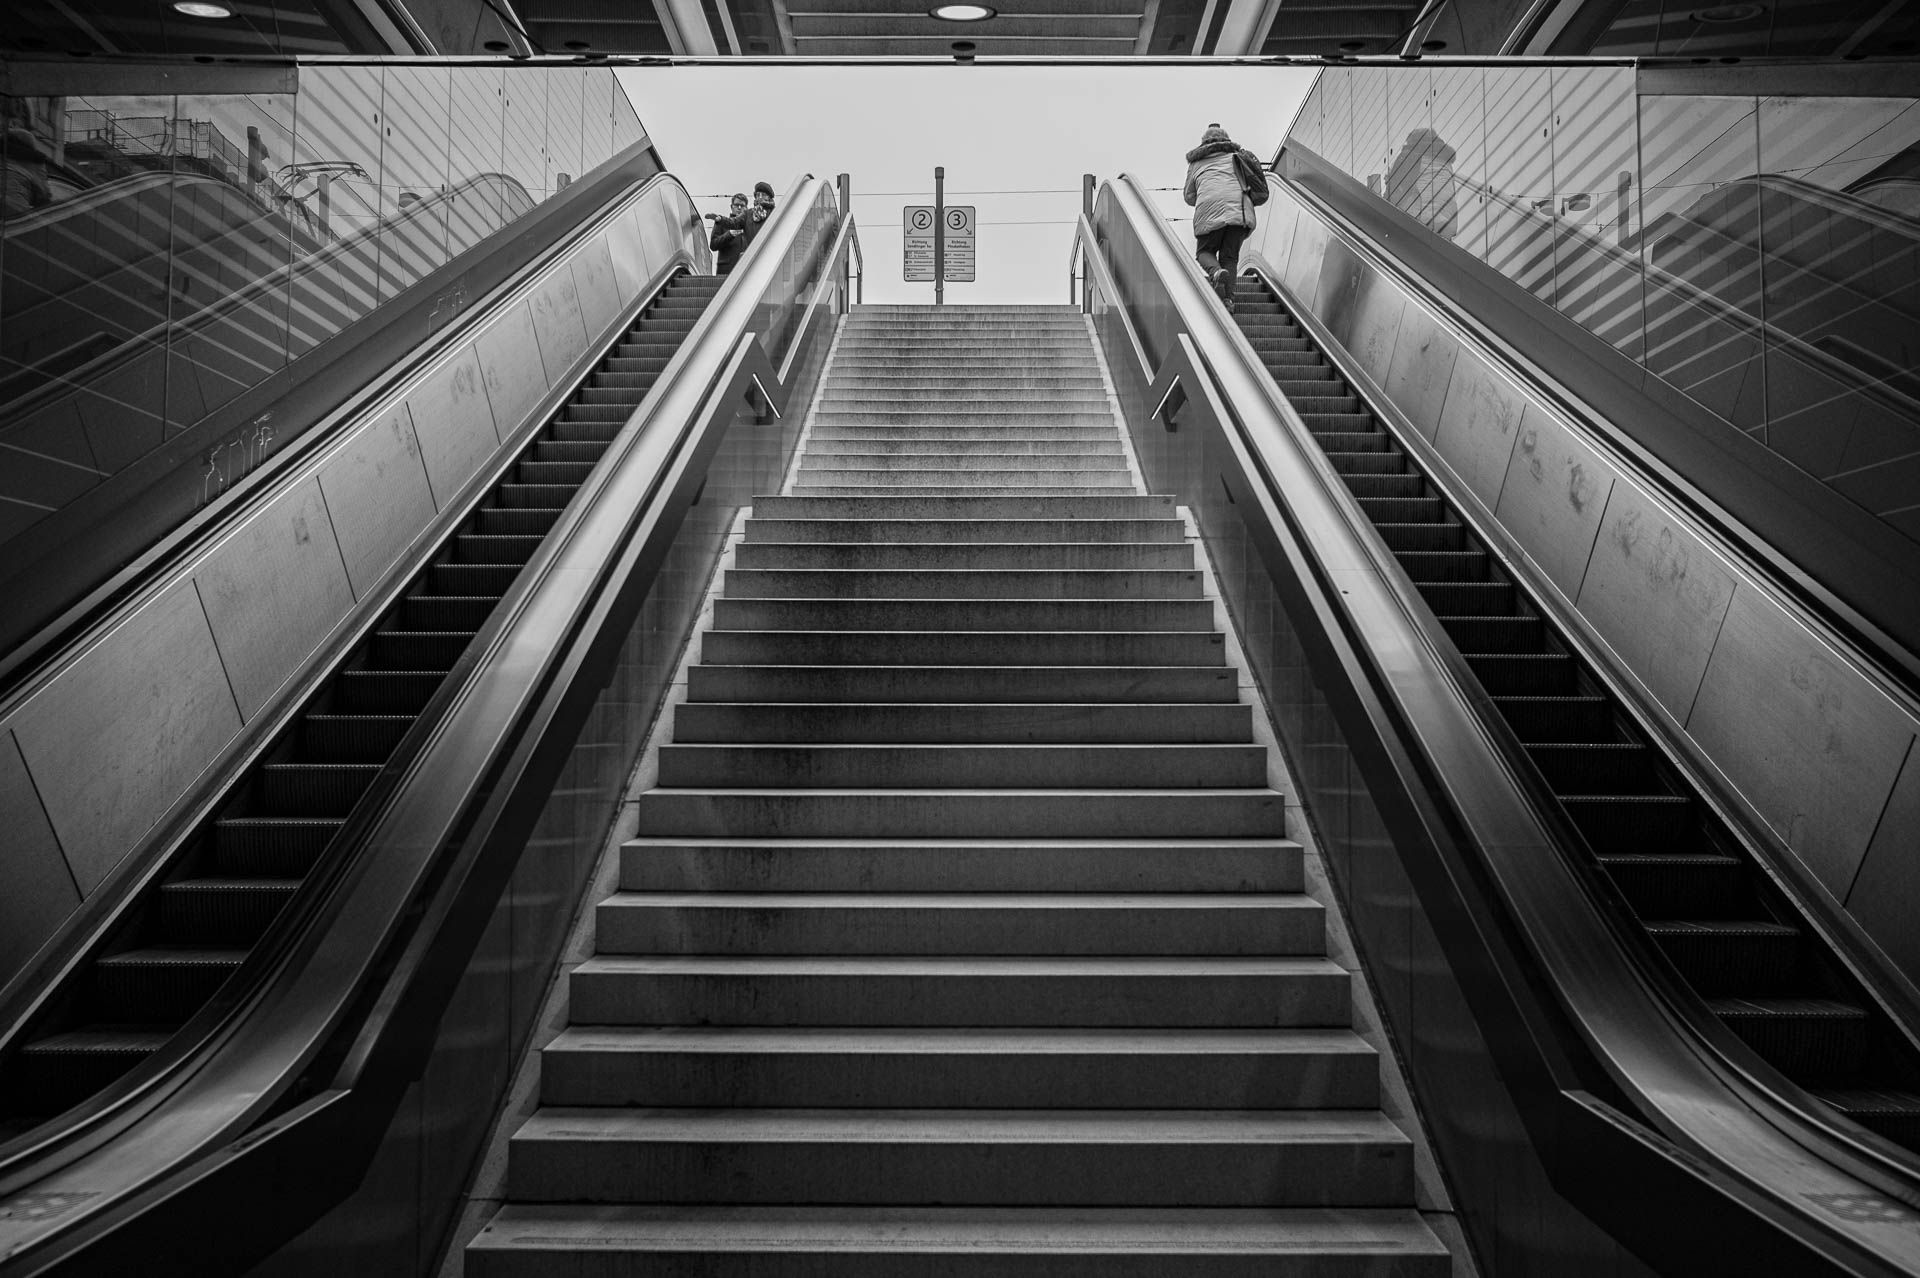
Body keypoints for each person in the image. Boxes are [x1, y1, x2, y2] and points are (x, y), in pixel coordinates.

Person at [1183, 123, 1262, 314]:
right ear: (1226, 140)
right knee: (1230, 257)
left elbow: (1189, 196)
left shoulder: (1196, 164)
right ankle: (1228, 300)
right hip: (1238, 213)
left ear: (1204, 143)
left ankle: (1216, 272)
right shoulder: (1236, 157)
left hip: (1209, 212)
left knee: (1204, 251)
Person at [1384, 127, 1460, 241]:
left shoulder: (1411, 155)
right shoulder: (1446, 164)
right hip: (1445, 223)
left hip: (1419, 220)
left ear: (1414, 140)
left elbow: (1395, 189)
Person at [707, 192, 750, 275]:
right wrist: (729, 234)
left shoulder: (749, 226)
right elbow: (713, 245)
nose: (739, 208)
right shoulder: (721, 223)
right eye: (736, 205)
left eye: (742, 205)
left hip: (746, 272)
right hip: (726, 272)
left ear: (746, 208)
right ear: (731, 207)